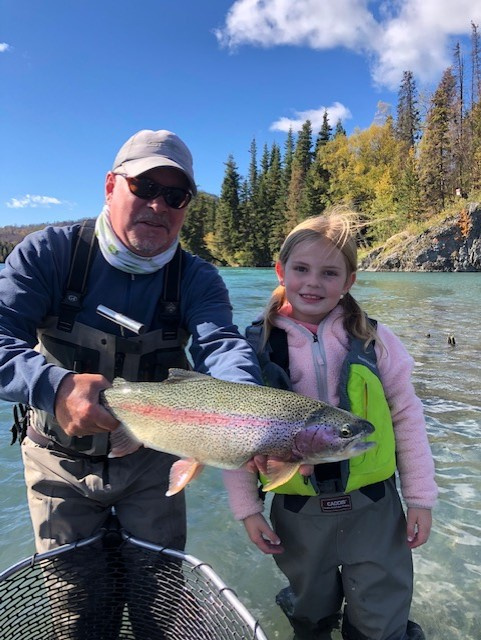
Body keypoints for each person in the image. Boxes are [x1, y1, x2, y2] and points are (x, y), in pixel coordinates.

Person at [0, 128, 263, 639]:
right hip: (58, 461)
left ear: (186, 206)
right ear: (109, 186)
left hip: (153, 465)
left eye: (175, 195)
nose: (157, 206)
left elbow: (223, 348)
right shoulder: (48, 255)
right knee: (75, 609)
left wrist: (248, 420)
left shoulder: (196, 280)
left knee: (160, 600)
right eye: (143, 187)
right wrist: (52, 386)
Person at [223, 209, 438, 640]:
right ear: (281, 271)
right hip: (296, 509)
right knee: (310, 607)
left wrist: (419, 498)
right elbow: (235, 434)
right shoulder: (255, 350)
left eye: (329, 272)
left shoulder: (375, 339)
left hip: (376, 507)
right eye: (301, 269)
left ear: (349, 281)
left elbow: (407, 418)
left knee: (382, 613)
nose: (313, 283)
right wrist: (247, 510)